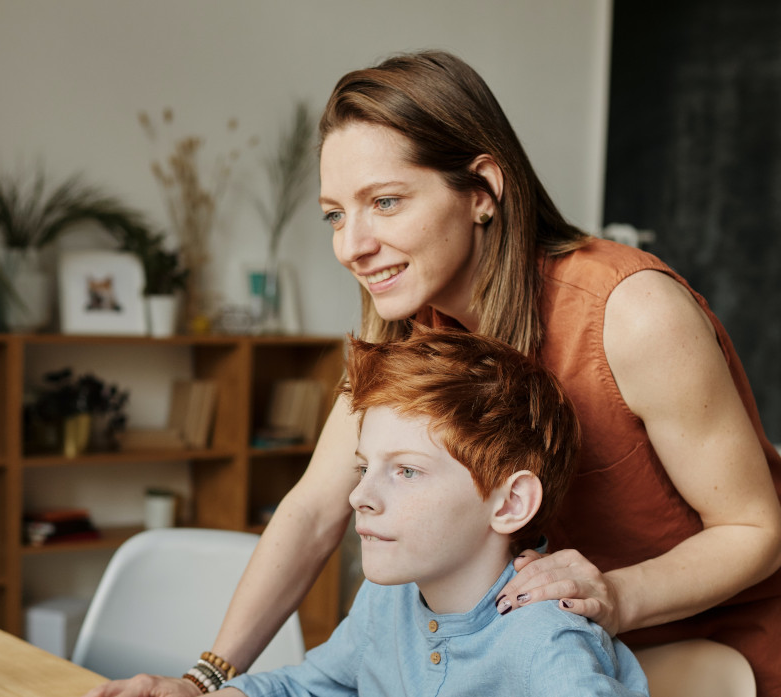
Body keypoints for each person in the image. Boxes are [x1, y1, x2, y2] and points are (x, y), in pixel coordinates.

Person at [85, 50, 781, 697]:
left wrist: (618, 594)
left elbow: (756, 529)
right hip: (538, 643)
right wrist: (206, 679)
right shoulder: (399, 322)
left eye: (385, 202)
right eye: (335, 214)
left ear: (482, 189)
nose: (352, 246)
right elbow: (316, 505)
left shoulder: (631, 312)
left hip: (705, 644)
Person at [208, 327, 650, 697]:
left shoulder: (549, 642)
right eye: (363, 467)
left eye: (406, 471)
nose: (359, 495)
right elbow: (313, 686)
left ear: (511, 503)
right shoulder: (386, 598)